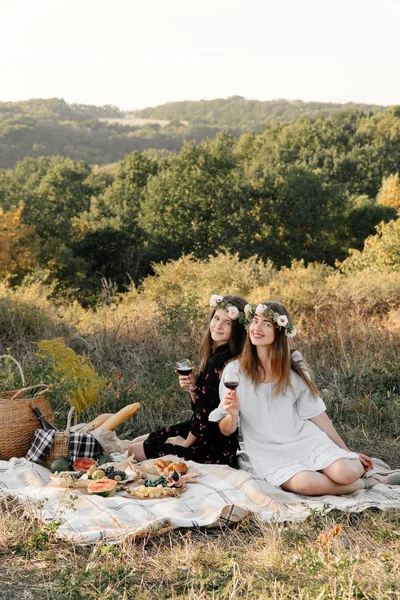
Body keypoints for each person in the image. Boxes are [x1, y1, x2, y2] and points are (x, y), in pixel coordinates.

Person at [210, 300, 399, 495]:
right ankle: (373, 481)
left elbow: (316, 413)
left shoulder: (293, 368)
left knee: (345, 473)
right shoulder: (234, 371)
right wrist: (231, 414)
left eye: (266, 323)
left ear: (280, 331)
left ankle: (354, 467)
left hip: (304, 439)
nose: (257, 328)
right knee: (307, 484)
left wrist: (346, 451)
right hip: (268, 453)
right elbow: (226, 430)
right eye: (255, 321)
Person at [127, 294, 248, 466]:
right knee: (137, 442)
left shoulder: (220, 361)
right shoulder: (218, 353)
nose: (218, 326)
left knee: (133, 451)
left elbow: (204, 416)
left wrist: (185, 442)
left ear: (237, 329)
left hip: (211, 446)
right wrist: (193, 388)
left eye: (227, 323)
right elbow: (203, 404)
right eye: (216, 318)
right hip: (208, 434)